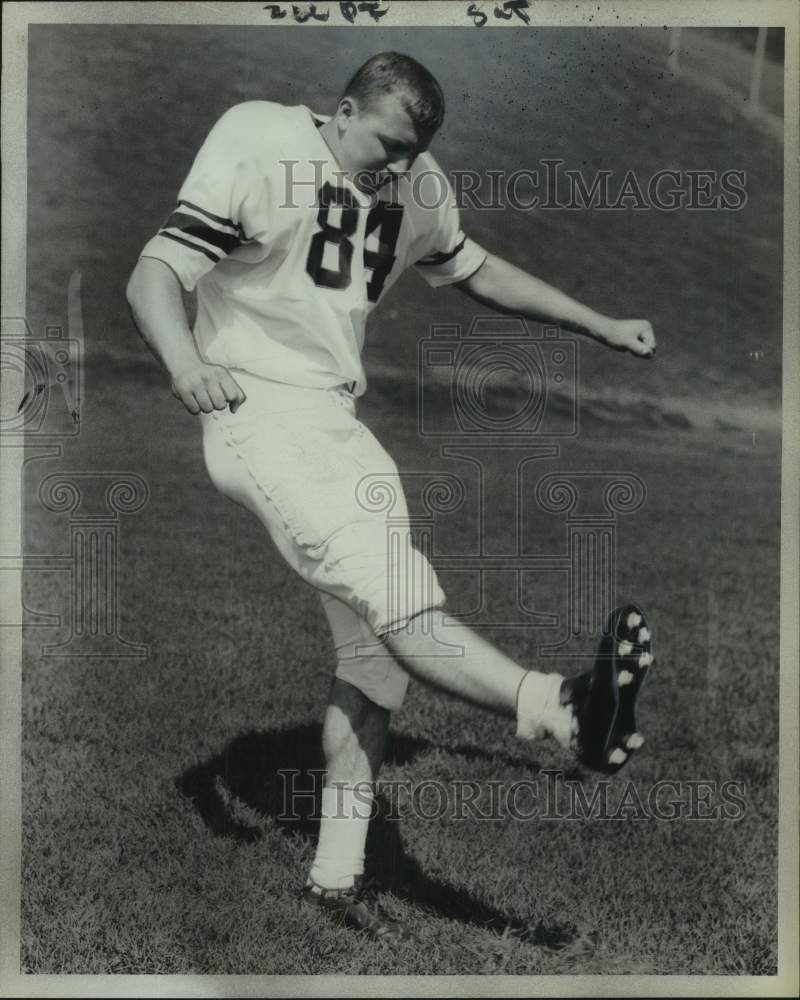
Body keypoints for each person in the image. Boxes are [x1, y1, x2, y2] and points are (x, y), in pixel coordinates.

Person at [127, 51, 656, 944]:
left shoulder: (416, 179)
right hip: (259, 411)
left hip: (339, 426)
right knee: (399, 599)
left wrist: (598, 324)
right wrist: (185, 365)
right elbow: (154, 272)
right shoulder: (259, 136)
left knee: (374, 660)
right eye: (388, 145)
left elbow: (476, 268)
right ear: (342, 112)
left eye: (414, 153)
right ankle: (563, 710)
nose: (401, 167)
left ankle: (334, 881)